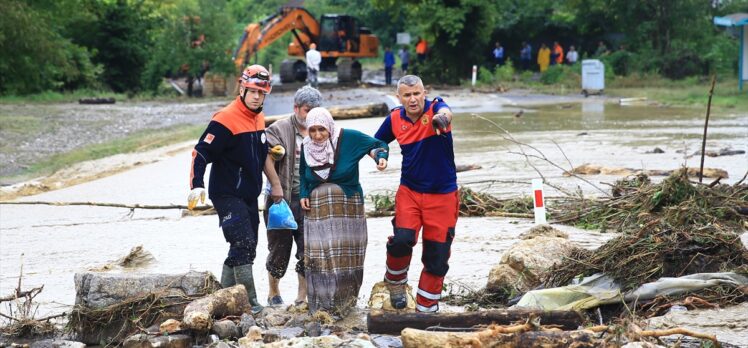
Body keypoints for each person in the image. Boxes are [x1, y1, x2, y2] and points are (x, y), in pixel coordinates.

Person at [188, 64, 276, 314]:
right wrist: (196, 185)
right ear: (242, 88)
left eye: (261, 93)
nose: (257, 96)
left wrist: (270, 153)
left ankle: (219, 299)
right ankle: (251, 303)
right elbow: (200, 152)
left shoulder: (258, 116)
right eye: (252, 91)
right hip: (226, 193)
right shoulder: (224, 119)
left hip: (249, 194)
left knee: (245, 247)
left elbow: (257, 149)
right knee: (244, 242)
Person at [374, 75, 458, 313]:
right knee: (402, 240)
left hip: (443, 195)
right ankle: (396, 283)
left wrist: (441, 120)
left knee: (437, 255)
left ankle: (426, 309)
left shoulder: (436, 109)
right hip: (409, 191)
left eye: (417, 94)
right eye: (407, 95)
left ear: (425, 92)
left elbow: (446, 113)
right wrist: (380, 155)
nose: (413, 99)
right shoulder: (394, 118)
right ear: (399, 98)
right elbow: (377, 141)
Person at [299, 107, 389, 315]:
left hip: (347, 210)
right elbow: (303, 172)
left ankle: (345, 305)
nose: (317, 135)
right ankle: (322, 307)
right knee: (320, 256)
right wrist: (303, 193)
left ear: (329, 126)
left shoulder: (348, 138)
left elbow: (377, 145)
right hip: (318, 213)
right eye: (312, 130)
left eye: (322, 129)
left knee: (344, 256)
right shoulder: (307, 146)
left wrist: (379, 157)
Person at [262, 86, 322, 307]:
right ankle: (273, 291)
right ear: (296, 108)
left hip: (310, 201)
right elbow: (263, 156)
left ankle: (302, 297)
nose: (311, 115)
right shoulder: (277, 129)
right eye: (307, 110)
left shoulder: (323, 129)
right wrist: (275, 185)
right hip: (280, 201)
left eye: (316, 110)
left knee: (308, 250)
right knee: (279, 249)